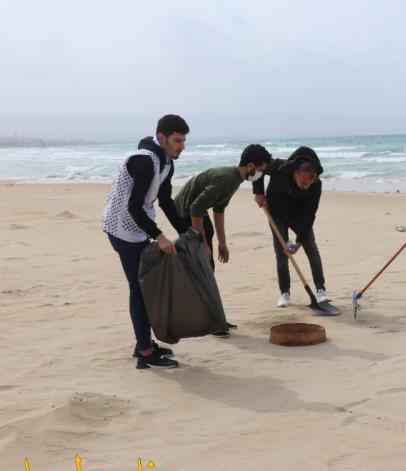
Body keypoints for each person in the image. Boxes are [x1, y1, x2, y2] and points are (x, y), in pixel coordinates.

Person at [102, 114, 192, 369]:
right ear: (161, 137)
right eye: (177, 141)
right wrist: (160, 236)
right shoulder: (143, 161)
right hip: (121, 229)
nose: (181, 146)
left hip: (139, 228)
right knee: (139, 288)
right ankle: (144, 353)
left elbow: (166, 202)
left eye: (184, 141)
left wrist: (187, 232)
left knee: (145, 287)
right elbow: (133, 208)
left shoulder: (166, 164)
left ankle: (144, 343)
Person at [173, 144, 271, 335]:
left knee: (208, 264)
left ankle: (212, 318)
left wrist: (222, 243)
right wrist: (201, 244)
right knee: (204, 265)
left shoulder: (235, 180)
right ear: (250, 165)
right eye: (260, 170)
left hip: (197, 214)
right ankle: (212, 321)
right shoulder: (226, 179)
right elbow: (195, 208)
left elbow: (219, 210)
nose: (260, 174)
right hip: (183, 212)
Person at [252, 147, 328, 307]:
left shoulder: (316, 185)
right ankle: (284, 293)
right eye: (303, 183)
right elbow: (260, 167)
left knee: (311, 248)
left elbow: (310, 216)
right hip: (277, 211)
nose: (306, 186)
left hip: (300, 216)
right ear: (296, 172)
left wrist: (298, 242)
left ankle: (321, 290)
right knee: (281, 253)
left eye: (310, 182)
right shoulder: (280, 167)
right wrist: (258, 192)